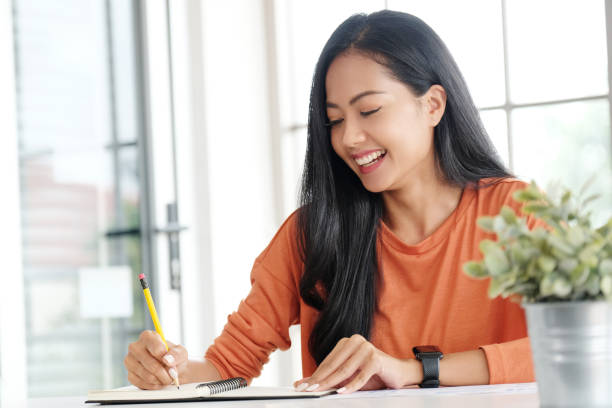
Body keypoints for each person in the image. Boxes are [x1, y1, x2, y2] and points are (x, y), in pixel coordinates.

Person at [124, 10, 541, 394]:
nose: (348, 138)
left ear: (432, 104)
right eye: (335, 120)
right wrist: (169, 370)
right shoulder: (312, 233)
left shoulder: (515, 214)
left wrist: (411, 369)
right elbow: (227, 367)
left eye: (370, 110)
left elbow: (587, 345)